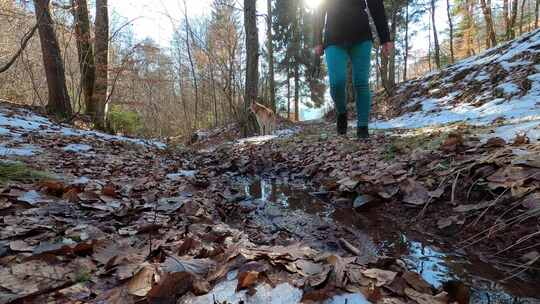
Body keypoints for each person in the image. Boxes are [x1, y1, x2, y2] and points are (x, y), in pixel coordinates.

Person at [314, 0, 393, 139]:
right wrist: (317, 40)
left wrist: (385, 38)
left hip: (361, 36)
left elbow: (376, 5)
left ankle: (363, 127)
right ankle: (341, 112)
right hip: (333, 38)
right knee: (337, 82)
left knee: (361, 82)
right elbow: (319, 8)